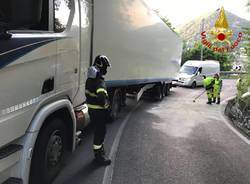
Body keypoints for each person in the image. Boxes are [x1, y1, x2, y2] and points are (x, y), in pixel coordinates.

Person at [85, 55, 111, 166]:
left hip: (91, 109)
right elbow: (101, 98)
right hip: (98, 112)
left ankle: (99, 151)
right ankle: (99, 157)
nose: (106, 69)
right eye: (105, 66)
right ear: (100, 65)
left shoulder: (90, 79)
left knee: (98, 132)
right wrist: (107, 107)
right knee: (100, 132)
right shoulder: (99, 80)